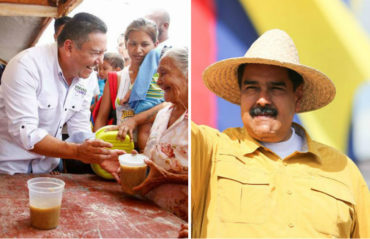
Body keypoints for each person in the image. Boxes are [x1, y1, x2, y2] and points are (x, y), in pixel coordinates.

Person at [191, 29, 370, 238]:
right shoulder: (211, 151)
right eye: (251, 88)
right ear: (241, 93)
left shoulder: (343, 170)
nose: (262, 99)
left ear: (298, 95)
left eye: (276, 88)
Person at [0, 12, 124, 175]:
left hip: (47, 171)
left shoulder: (86, 75)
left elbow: (79, 127)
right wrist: (78, 152)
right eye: (95, 53)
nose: (100, 61)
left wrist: (99, 153)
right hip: (8, 171)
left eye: (103, 53)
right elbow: (26, 132)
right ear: (69, 47)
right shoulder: (26, 66)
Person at [106, 47, 188, 221]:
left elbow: (214, 177)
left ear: (189, 73)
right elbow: (157, 158)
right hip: (152, 213)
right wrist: (137, 161)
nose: (158, 82)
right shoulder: (163, 114)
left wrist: (167, 178)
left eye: (164, 73)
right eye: (158, 75)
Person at [93, 18, 164, 152]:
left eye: (145, 44)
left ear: (155, 45)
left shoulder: (162, 78)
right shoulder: (115, 78)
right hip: (119, 150)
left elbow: (169, 106)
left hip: (153, 152)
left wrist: (134, 120)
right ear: (125, 44)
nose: (138, 50)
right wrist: (100, 146)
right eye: (132, 44)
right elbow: (101, 118)